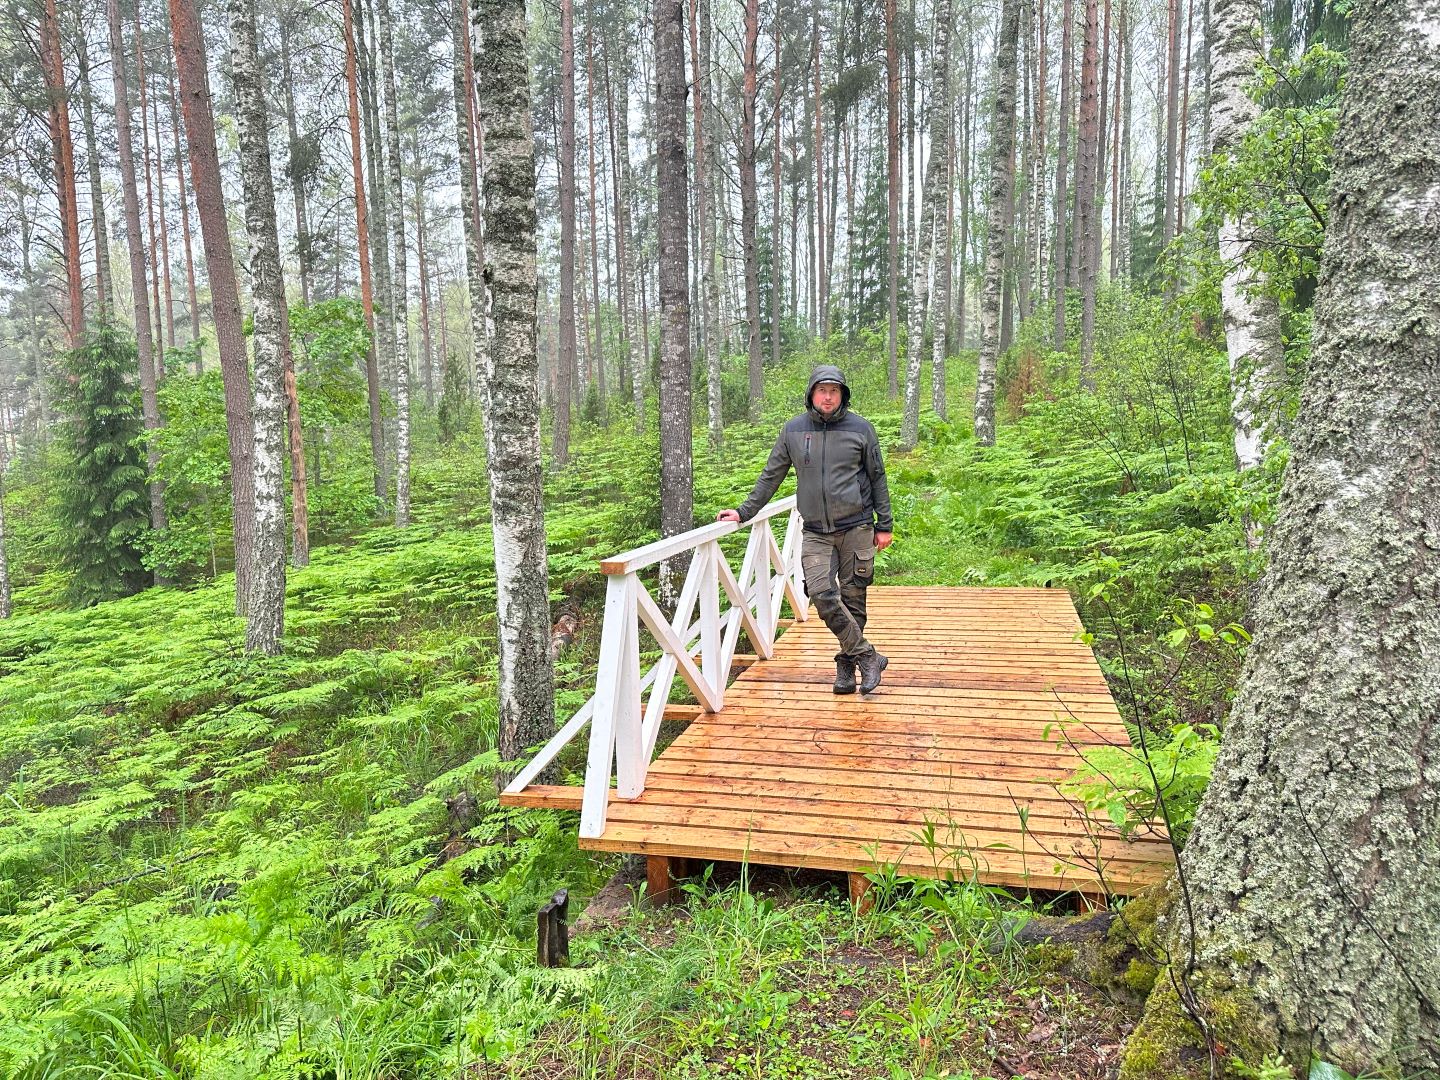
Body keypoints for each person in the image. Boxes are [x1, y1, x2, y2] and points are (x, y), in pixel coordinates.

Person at [717, 364, 894, 694]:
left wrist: (884, 525)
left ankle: (846, 668)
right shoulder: (793, 431)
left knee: (854, 600)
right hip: (815, 529)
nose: (828, 397)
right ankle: (867, 655)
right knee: (821, 594)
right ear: (811, 393)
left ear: (843, 395)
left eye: (834, 391)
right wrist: (743, 512)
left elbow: (877, 477)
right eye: (822, 390)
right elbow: (772, 474)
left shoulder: (861, 429)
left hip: (856, 526)